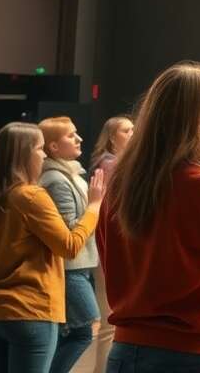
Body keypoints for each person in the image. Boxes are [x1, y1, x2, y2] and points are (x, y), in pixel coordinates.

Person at [96, 61, 200, 373]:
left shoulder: (119, 186)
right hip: (194, 358)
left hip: (126, 352)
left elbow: (111, 262)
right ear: (198, 118)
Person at [0, 122, 104, 373]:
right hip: (29, 310)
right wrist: (93, 207)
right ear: (22, 155)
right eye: (39, 149)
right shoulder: (31, 196)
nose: (44, 155)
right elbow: (69, 246)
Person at [38, 117, 101, 373]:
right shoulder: (55, 179)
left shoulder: (69, 173)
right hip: (69, 267)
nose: (79, 139)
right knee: (84, 330)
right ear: (53, 147)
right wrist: (96, 206)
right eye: (71, 135)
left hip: (79, 265)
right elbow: (68, 230)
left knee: (69, 332)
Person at [86, 113, 131, 373]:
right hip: (109, 248)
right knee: (109, 324)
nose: (133, 134)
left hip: (113, 246)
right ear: (112, 137)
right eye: (127, 131)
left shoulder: (119, 163)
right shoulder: (110, 164)